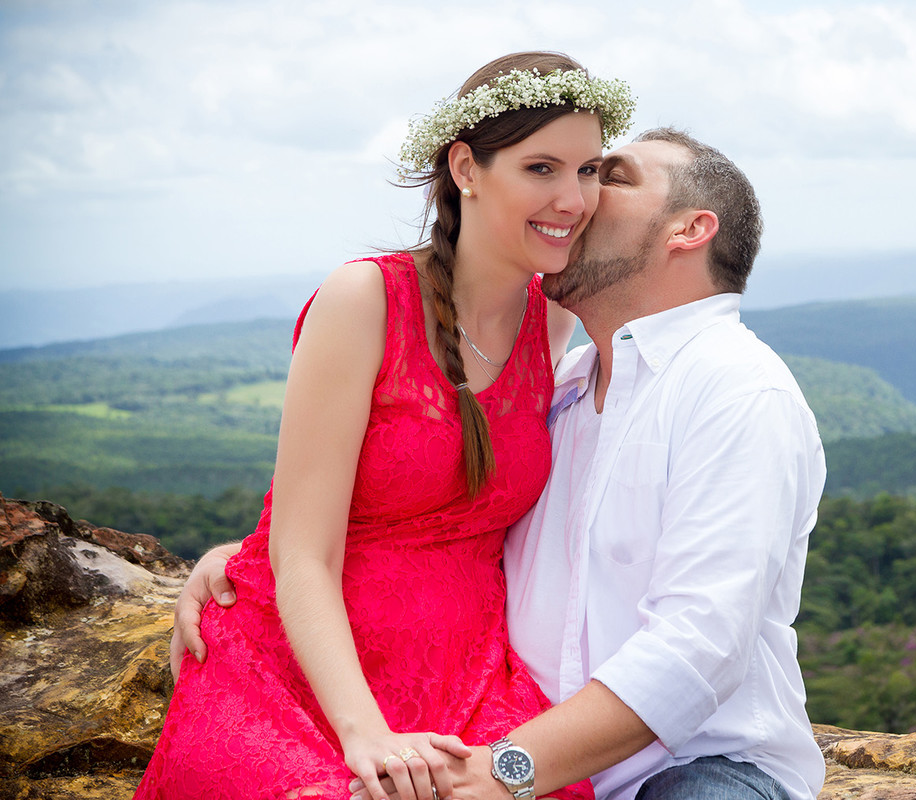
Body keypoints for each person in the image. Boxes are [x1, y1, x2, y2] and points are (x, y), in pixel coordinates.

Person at [181, 129, 827, 800]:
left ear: (689, 230)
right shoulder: (569, 386)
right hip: (527, 747)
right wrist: (265, 554)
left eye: (611, 176)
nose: (579, 198)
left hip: (695, 768)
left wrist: (507, 768)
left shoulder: (737, 391)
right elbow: (460, 529)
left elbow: (696, 650)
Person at [134, 50, 633, 800]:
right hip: (304, 676)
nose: (573, 197)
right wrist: (362, 730)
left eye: (590, 170)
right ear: (466, 167)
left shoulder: (554, 318)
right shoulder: (365, 300)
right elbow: (304, 551)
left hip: (467, 676)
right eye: (542, 169)